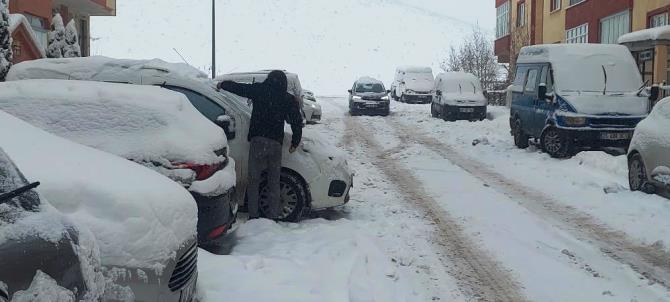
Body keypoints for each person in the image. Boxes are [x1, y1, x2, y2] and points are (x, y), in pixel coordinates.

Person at [218, 70, 303, 220]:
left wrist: (223, 84)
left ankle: (253, 215)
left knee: (254, 180)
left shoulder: (259, 90)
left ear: (269, 79)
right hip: (275, 143)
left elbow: (240, 88)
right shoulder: (287, 98)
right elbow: (296, 121)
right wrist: (295, 141)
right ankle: (272, 216)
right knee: (273, 181)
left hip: (258, 142)